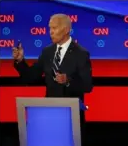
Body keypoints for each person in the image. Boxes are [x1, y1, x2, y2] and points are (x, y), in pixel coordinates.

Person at [12, 13, 93, 143]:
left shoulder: (81, 53)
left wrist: (68, 81)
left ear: (66, 30)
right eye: (50, 28)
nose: (51, 32)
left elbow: (87, 85)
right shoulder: (47, 51)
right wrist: (20, 61)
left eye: (54, 28)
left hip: (71, 116)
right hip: (49, 114)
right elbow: (31, 77)